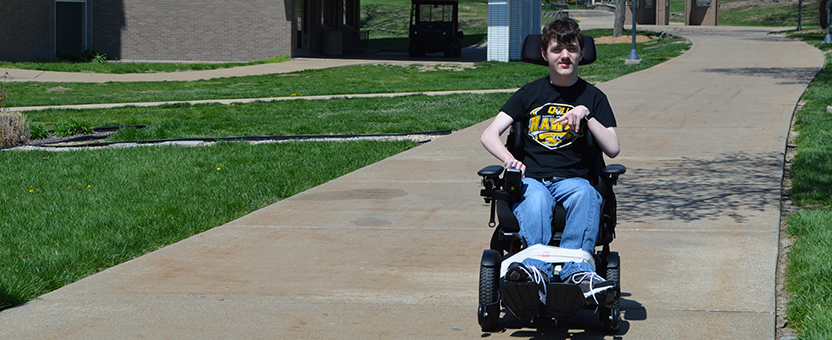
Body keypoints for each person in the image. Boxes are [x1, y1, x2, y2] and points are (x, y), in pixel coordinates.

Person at [480, 18, 620, 306]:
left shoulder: (594, 97)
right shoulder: (529, 94)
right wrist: (509, 160)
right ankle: (536, 272)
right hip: (532, 178)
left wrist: (586, 115)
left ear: (582, 53)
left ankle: (577, 272)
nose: (564, 56)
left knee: (586, 194)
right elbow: (488, 134)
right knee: (536, 199)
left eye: (571, 49)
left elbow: (613, 148)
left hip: (574, 180)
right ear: (545, 54)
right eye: (557, 49)